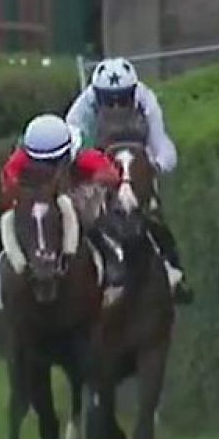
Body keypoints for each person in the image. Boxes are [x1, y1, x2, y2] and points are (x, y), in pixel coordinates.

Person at [64, 57, 193, 303]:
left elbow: (162, 145)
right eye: (108, 100)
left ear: (133, 93)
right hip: (97, 166)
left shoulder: (147, 100)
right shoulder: (83, 107)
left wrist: (154, 166)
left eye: (122, 99)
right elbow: (72, 143)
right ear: (97, 96)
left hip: (136, 167)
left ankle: (173, 269)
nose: (115, 107)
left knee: (153, 211)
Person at [0, 113, 122, 283]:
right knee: (9, 220)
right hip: (36, 195)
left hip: (73, 190)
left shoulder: (83, 152)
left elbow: (110, 174)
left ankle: (109, 258)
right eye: (40, 162)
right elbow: (8, 179)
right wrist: (17, 192)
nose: (47, 168)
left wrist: (89, 185)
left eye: (53, 161)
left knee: (84, 217)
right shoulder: (22, 155)